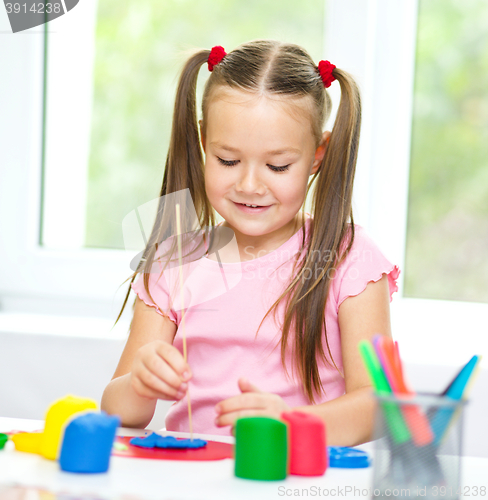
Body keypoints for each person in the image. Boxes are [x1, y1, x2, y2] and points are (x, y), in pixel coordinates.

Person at [101, 40, 400, 446]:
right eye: (228, 160)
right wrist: (140, 382)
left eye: (277, 165)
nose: (249, 185)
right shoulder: (174, 262)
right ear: (206, 141)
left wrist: (293, 423)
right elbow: (121, 411)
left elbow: (379, 405)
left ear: (317, 155)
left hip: (293, 480)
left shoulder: (350, 259)